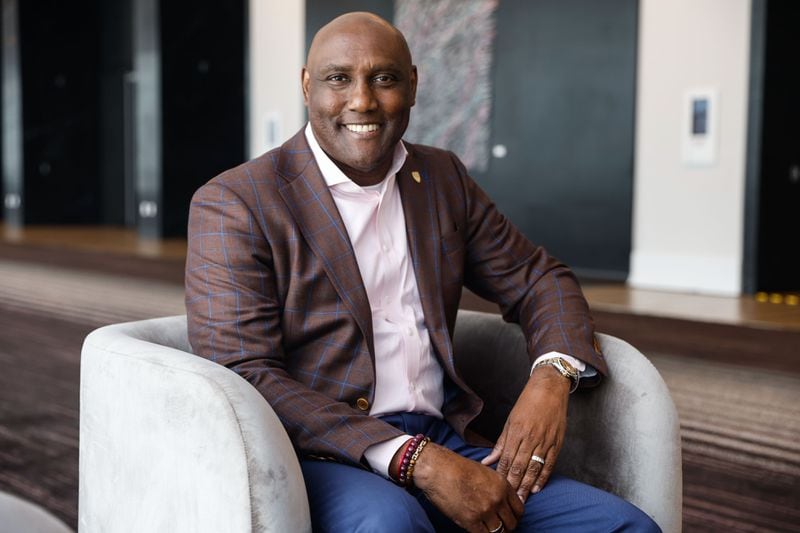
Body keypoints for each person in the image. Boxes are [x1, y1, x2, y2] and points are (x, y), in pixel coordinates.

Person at [185, 11, 660, 533]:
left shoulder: (440, 178)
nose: (362, 101)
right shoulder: (236, 202)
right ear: (306, 84)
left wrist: (551, 377)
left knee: (621, 526)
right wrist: (415, 461)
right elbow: (244, 371)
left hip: (445, 438)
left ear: (413, 85)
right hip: (322, 453)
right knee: (393, 523)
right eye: (338, 78)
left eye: (384, 79)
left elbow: (538, 277)